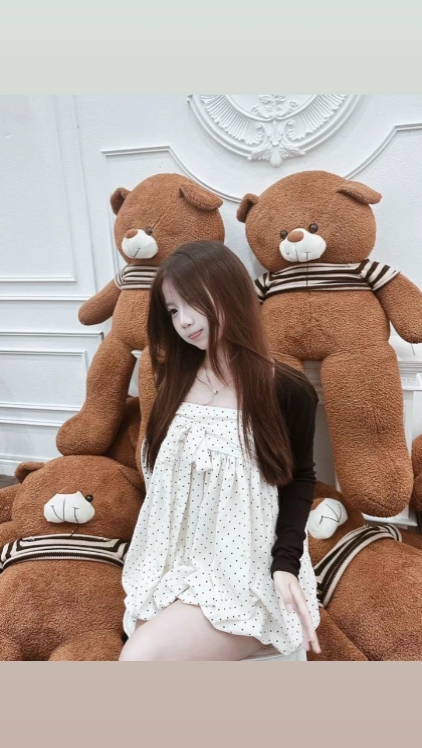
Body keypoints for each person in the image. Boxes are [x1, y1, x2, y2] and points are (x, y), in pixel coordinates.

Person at [119, 240, 321, 661]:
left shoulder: (286, 389)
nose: (184, 320)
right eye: (172, 310)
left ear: (230, 291)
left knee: (140, 658)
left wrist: (285, 563)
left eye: (193, 301)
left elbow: (300, 479)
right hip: (170, 560)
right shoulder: (173, 380)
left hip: (243, 570)